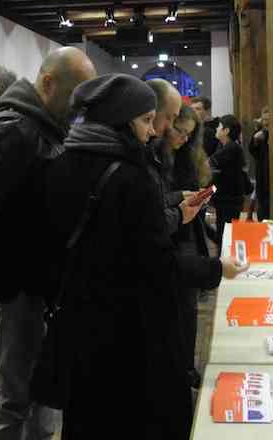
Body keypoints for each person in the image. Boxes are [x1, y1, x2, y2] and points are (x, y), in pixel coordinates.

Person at [43, 74, 242, 439]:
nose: (152, 131)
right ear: (121, 119)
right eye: (146, 120)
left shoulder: (60, 163)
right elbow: (155, 263)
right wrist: (215, 268)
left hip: (81, 327)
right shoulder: (131, 176)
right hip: (130, 335)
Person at [0, 47, 97, 440]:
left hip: (30, 286)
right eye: (75, 97)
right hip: (14, 288)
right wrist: (8, 288)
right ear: (48, 83)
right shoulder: (15, 130)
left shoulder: (41, 126)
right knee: (13, 395)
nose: (80, 109)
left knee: (38, 388)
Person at [157, 104, 213, 386]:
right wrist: (181, 197)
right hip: (167, 240)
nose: (184, 138)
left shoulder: (189, 156)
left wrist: (199, 198)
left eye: (190, 134)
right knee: (171, 313)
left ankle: (186, 367)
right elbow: (154, 203)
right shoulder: (155, 157)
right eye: (180, 131)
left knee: (188, 312)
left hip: (187, 237)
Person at [210, 114, 248, 242]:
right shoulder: (223, 146)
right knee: (221, 232)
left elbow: (211, 163)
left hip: (230, 199)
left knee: (225, 236)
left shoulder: (232, 148)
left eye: (219, 127)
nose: (216, 129)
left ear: (226, 130)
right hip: (224, 198)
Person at [249, 104, 270, 222]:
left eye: (268, 120)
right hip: (261, 175)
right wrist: (255, 139)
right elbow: (252, 151)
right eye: (264, 120)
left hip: (272, 176)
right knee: (262, 205)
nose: (266, 123)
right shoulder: (260, 133)